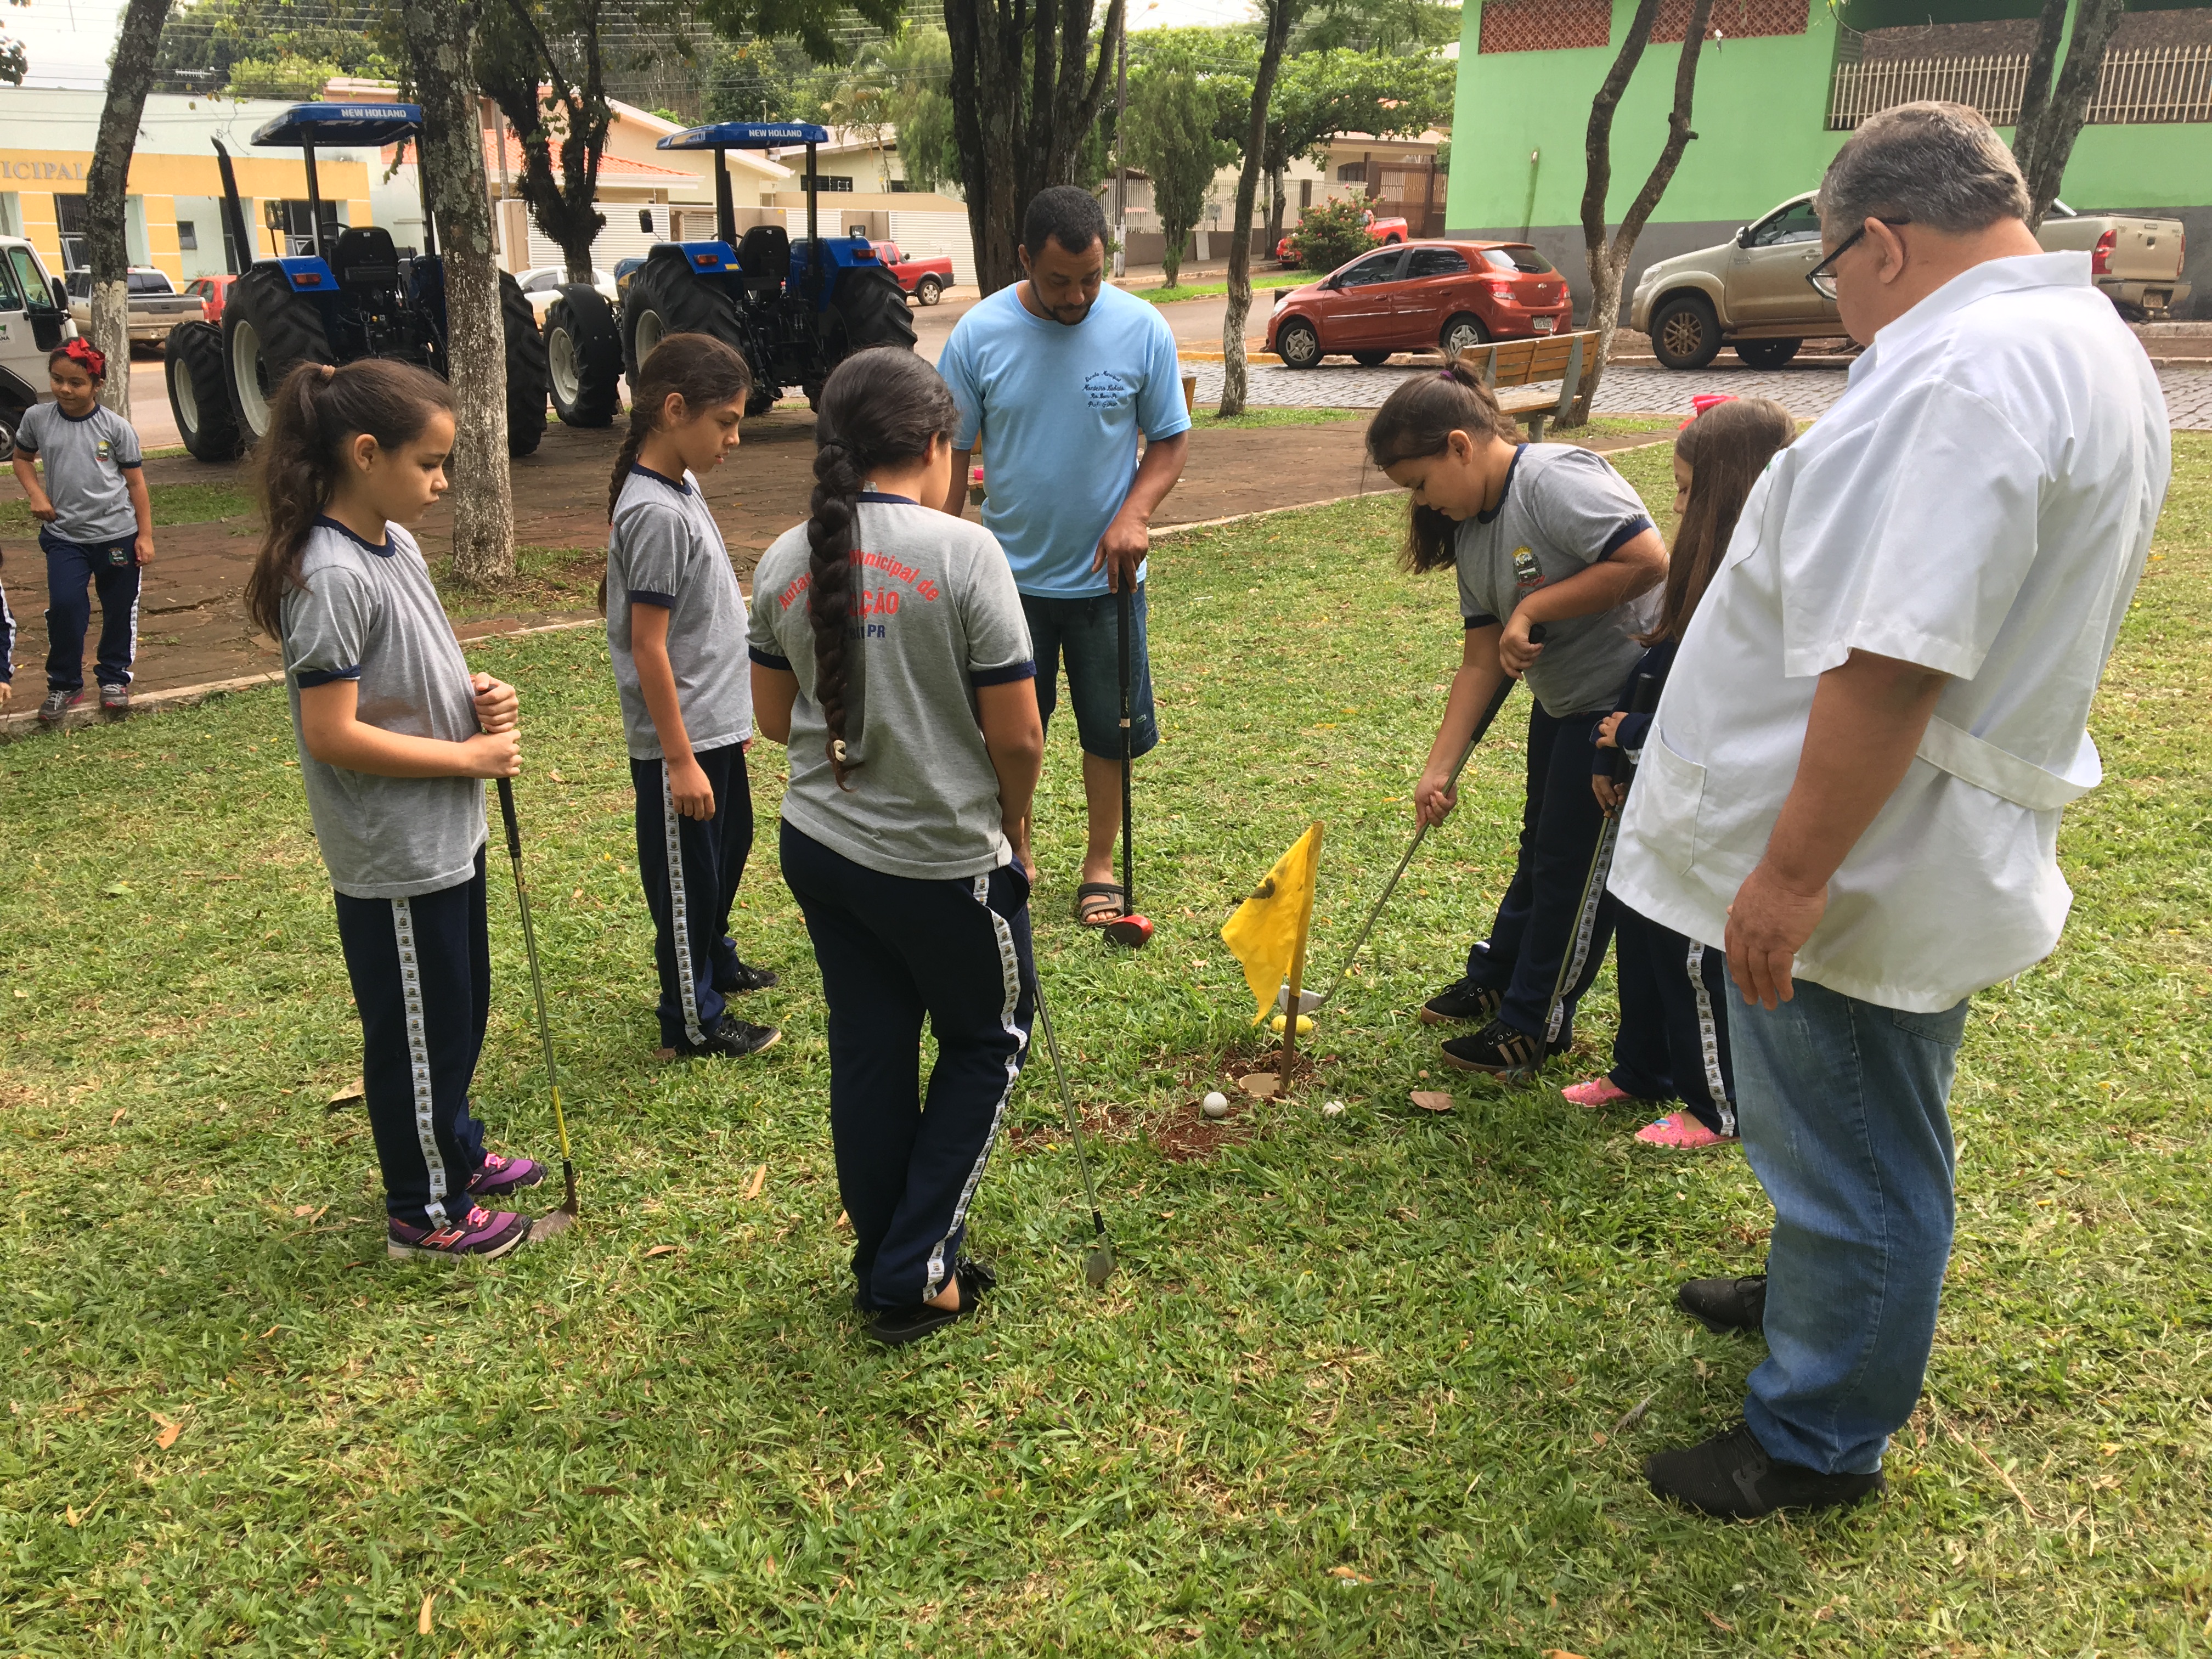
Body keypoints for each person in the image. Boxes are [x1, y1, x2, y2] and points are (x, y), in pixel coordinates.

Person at [1611, 103, 2171, 1516]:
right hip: (1921, 822)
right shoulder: (2071, 340)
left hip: (1874, 841)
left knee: (1859, 1144)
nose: (1836, 304)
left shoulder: (1965, 375)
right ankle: (1820, 1290)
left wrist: (1790, 877)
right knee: (1849, 1122)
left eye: (1828, 274)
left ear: (1877, 242)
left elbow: (1896, 654)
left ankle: (1816, 1434)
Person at [751, 347, 1045, 1347]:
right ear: (935, 445)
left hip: (821, 849)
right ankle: (914, 1272)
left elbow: (767, 716)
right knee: (988, 1039)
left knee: (871, 1045)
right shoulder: (966, 552)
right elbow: (1018, 734)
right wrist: (1015, 828)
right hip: (936, 862)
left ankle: (890, 1249)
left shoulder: (784, 557)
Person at [246, 359, 545, 1262]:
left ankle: (453, 1151)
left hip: (446, 827)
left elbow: (411, 671)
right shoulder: (330, 574)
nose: (443, 481)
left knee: (456, 1011)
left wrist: (475, 695)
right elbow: (332, 731)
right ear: (365, 453)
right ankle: (421, 1210)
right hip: (395, 848)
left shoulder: (395, 543)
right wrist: (465, 755)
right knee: (417, 1028)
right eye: (429, 464)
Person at [1367, 364, 1666, 1075]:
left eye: (1420, 483)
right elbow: (1480, 662)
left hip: (1622, 702)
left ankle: (1535, 1023)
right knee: (1540, 850)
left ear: (1461, 447)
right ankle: (1501, 976)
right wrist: (1437, 770)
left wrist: (1535, 608)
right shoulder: (1473, 529)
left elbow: (1650, 560)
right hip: (1565, 700)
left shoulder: (1555, 480)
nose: (1423, 503)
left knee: (1574, 868)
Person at [936, 185, 1189, 925]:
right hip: (1005, 584)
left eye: (1091, 278)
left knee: (1109, 729)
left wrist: (1135, 514)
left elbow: (1170, 441)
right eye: (1058, 282)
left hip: (1109, 582)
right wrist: (937, 553)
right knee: (1012, 734)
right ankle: (1014, 849)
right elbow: (949, 457)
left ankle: (1100, 865)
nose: (1077, 296)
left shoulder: (1143, 329)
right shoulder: (978, 337)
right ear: (1023, 260)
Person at [1565, 397, 1798, 1149]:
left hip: (1715, 811)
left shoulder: (1769, 590)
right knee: (1640, 924)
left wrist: (1629, 733)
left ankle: (1717, 1108)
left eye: (1689, 490)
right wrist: (1616, 745)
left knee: (1694, 953)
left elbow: (1738, 715)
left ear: (1733, 493)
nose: (1676, 505)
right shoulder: (1700, 582)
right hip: (1655, 794)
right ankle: (1643, 1068)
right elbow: (1657, 670)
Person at [603, 332, 781, 1063]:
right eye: (727, 422)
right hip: (684, 740)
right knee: (685, 880)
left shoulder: (680, 485)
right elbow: (648, 645)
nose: (734, 438)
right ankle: (692, 1017)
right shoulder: (652, 511)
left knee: (723, 855)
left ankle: (714, 957)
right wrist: (679, 761)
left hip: (715, 721)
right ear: (674, 410)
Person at [14, 340, 153, 723]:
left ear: (96, 385)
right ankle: (64, 684)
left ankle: (113, 679)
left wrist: (145, 536)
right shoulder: (37, 419)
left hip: (117, 537)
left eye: (76, 383)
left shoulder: (116, 428)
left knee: (118, 608)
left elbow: (136, 484)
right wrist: (37, 495)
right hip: (65, 538)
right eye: (57, 380)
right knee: (65, 605)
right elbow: (22, 459)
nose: (65, 390)